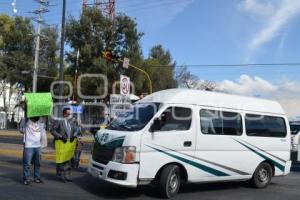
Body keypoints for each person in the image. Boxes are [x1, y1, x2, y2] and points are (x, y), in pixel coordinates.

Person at [51, 107, 78, 182]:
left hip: (69, 144)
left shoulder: (72, 121)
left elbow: (76, 129)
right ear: (64, 114)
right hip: (61, 143)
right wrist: (61, 137)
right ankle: (61, 175)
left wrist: (74, 135)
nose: (70, 115)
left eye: (70, 114)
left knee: (68, 160)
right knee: (62, 160)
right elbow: (52, 130)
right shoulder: (59, 121)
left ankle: (67, 175)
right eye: (68, 114)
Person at [19, 116, 46, 185]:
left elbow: (43, 131)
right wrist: (24, 128)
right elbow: (21, 130)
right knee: (27, 164)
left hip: (38, 146)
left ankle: (37, 178)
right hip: (28, 146)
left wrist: (43, 144)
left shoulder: (40, 121)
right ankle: (26, 179)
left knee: (38, 163)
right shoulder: (26, 120)